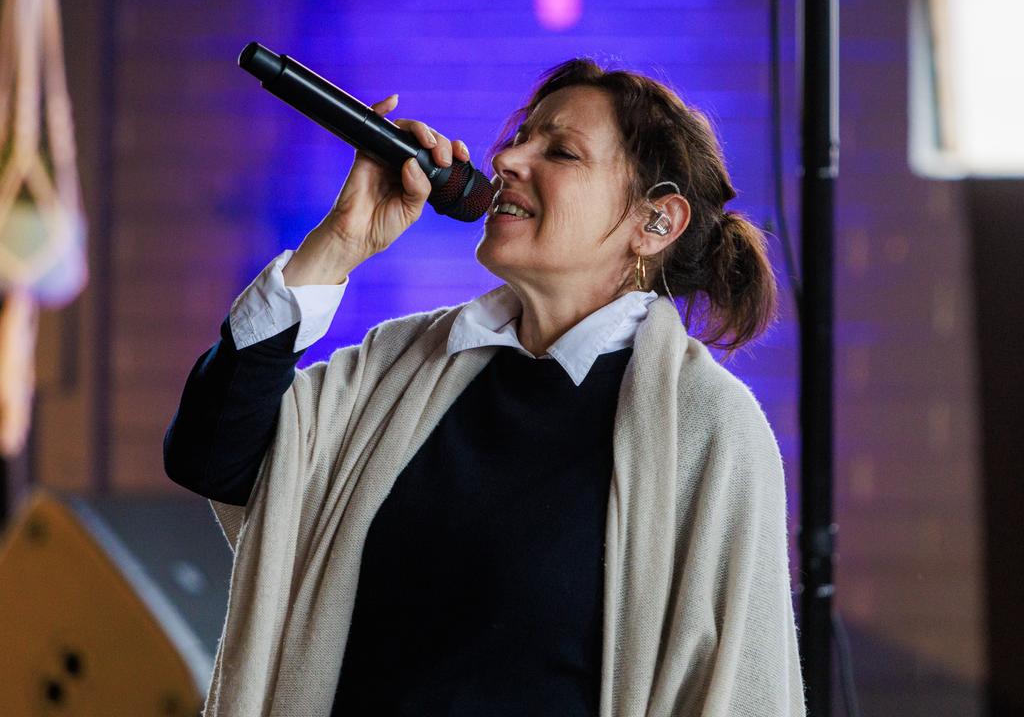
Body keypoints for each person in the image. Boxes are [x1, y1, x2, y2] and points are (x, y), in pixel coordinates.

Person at [164, 57, 806, 717]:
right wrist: (339, 243)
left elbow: (740, 690)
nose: (509, 160)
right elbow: (212, 455)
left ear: (656, 222)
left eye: (560, 150)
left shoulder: (706, 427)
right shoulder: (406, 369)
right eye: (520, 137)